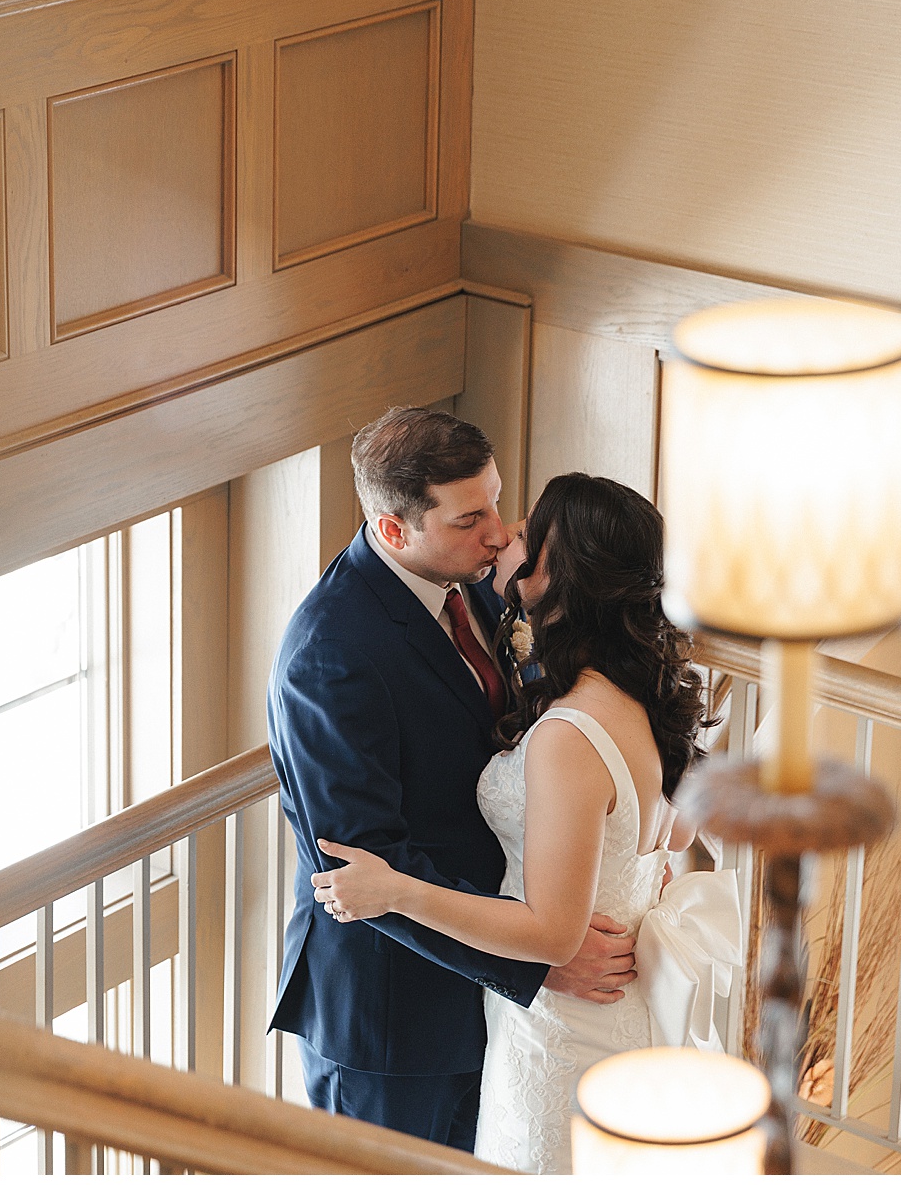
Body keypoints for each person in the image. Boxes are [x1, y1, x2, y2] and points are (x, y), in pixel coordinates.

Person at [312, 471, 715, 1171]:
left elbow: (555, 934)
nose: (502, 537)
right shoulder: (637, 691)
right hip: (614, 1016)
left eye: (525, 532)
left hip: (564, 1035)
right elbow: (673, 834)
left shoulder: (569, 735)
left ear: (557, 577)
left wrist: (397, 890)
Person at [265, 410, 641, 1152]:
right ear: (395, 529)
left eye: (497, 503)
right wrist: (538, 962)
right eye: (471, 517)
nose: (500, 534)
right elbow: (363, 872)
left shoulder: (473, 582)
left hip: (487, 990)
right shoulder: (330, 657)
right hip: (393, 1017)